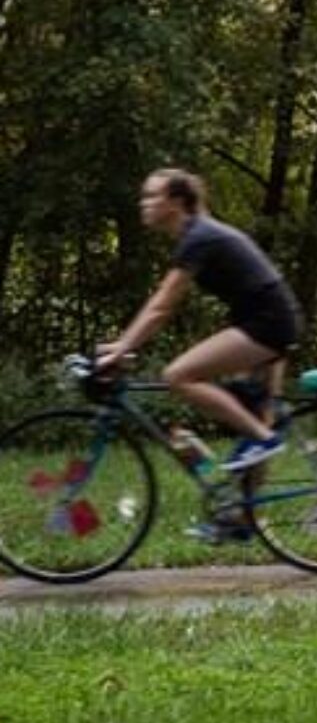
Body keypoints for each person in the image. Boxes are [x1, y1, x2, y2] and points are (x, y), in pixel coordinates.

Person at [98, 168, 304, 495]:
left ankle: (266, 441)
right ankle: (240, 517)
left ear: (176, 202)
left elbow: (162, 306)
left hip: (267, 322)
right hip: (268, 319)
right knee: (256, 414)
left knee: (178, 376)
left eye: (152, 196)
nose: (143, 204)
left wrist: (123, 347)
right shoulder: (197, 236)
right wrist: (124, 344)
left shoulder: (199, 237)